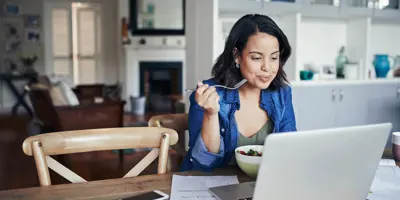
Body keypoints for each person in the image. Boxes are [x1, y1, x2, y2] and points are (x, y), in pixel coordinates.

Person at [181, 14, 297, 172]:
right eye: (256, 58)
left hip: (260, 186)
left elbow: (289, 149)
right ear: (237, 56)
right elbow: (203, 163)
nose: (267, 68)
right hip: (212, 186)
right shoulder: (210, 94)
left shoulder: (282, 94)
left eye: (274, 57)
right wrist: (211, 114)